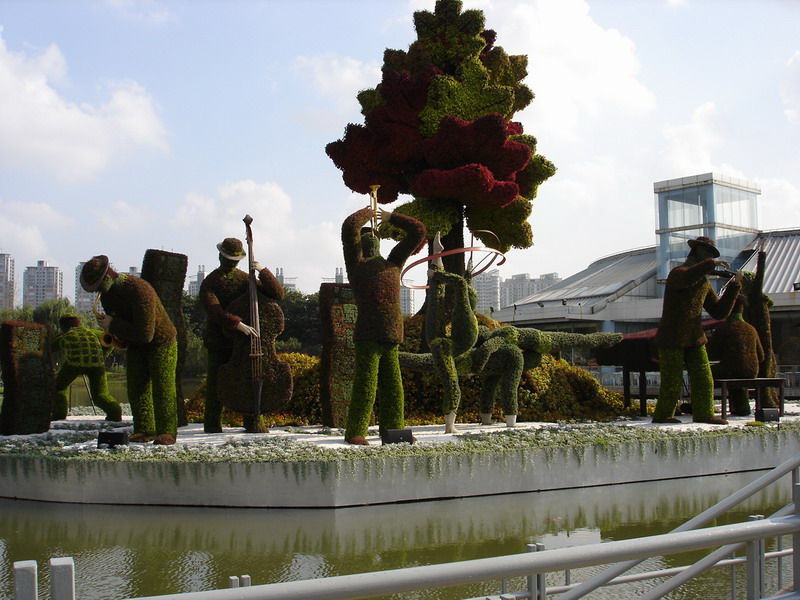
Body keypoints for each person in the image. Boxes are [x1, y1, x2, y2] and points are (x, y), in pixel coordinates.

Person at [342, 206, 426, 445]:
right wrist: (369, 212)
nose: (371, 239)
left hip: (391, 334)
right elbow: (350, 227)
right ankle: (355, 431)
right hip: (367, 334)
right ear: (360, 243)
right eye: (366, 236)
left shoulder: (394, 263)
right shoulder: (356, 265)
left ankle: (394, 430)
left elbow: (418, 232)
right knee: (365, 385)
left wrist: (391, 217)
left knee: (393, 387)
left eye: (374, 236)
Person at [80, 255, 178, 444]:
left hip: (161, 341)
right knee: (136, 387)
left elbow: (146, 333)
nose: (97, 292)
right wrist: (113, 331)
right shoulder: (107, 296)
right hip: (136, 343)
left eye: (98, 286)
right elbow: (128, 328)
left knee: (162, 386)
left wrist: (113, 323)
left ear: (107, 277)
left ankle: (167, 432)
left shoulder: (140, 289)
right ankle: (144, 429)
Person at [199, 237, 284, 433]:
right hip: (219, 339)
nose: (231, 263)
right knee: (215, 381)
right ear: (220, 256)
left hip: (245, 340)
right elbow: (214, 310)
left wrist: (263, 271)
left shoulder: (245, 279)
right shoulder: (210, 282)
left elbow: (278, 294)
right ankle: (212, 423)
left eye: (234, 260)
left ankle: (253, 420)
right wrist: (236, 323)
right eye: (228, 259)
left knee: (250, 376)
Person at [653, 236, 742, 424]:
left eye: (712, 255)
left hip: (695, 337)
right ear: (697, 251)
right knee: (672, 379)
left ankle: (704, 413)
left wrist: (734, 286)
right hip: (672, 336)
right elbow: (686, 279)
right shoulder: (677, 273)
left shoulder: (703, 282)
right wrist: (711, 264)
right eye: (708, 252)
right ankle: (663, 415)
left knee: (704, 377)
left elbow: (719, 312)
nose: (710, 257)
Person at [51, 313, 121, 422]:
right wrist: (102, 355)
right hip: (96, 364)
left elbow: (48, 348)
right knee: (100, 394)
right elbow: (110, 339)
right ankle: (115, 413)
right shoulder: (93, 332)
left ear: (63, 326)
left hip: (74, 364)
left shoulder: (65, 336)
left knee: (59, 387)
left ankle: (59, 414)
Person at [707, 295, 764, 416]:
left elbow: (712, 354)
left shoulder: (723, 328)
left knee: (703, 373)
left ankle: (702, 407)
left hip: (730, 370)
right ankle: (741, 407)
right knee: (736, 372)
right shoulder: (751, 329)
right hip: (752, 371)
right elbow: (761, 356)